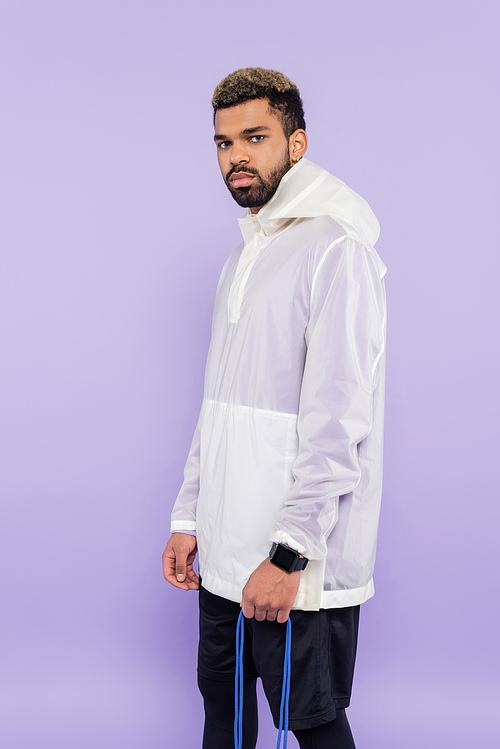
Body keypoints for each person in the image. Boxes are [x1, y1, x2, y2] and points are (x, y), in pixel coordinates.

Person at [162, 68, 387, 749]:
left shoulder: (336, 250)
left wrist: (289, 555)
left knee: (313, 723)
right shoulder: (245, 256)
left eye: (254, 137)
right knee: (223, 714)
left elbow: (339, 421)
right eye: (223, 142)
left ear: (297, 143)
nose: (235, 156)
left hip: (294, 563)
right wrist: (187, 514)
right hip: (225, 552)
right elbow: (220, 405)